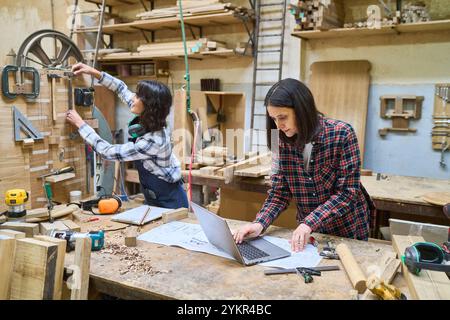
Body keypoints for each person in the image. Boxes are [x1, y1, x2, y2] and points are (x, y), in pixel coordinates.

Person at [233, 78, 374, 252]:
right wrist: (260, 223)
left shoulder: (342, 134)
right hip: (308, 232)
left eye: (283, 117)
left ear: (302, 110)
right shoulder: (279, 141)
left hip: (347, 230)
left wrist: (309, 222)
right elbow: (279, 193)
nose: (279, 125)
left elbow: (347, 193)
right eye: (274, 119)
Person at [66, 62, 188, 209]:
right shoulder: (149, 117)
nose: (133, 98)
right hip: (154, 198)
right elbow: (120, 88)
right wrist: (93, 72)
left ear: (148, 106)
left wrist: (81, 125)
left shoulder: (152, 142)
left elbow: (108, 152)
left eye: (138, 96)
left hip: (170, 203)